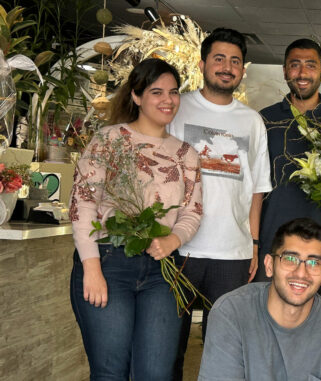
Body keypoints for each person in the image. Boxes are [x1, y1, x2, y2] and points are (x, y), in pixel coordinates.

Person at [69, 58, 202, 380]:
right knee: (110, 372)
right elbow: (82, 204)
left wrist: (174, 239)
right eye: (157, 92)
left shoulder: (186, 154)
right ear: (137, 96)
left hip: (162, 272)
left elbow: (192, 211)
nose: (167, 100)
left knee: (157, 373)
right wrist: (91, 268)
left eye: (173, 92)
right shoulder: (109, 140)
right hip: (108, 263)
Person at [167, 28, 272, 379]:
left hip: (233, 253)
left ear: (242, 69)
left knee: (224, 348)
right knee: (169, 344)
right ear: (202, 64)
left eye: (235, 61)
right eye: (219, 59)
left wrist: (254, 243)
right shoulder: (177, 109)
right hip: (180, 248)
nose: (227, 67)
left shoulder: (252, 122)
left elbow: (257, 190)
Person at [198, 218, 321, 381]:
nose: (301, 273)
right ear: (269, 265)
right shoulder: (231, 313)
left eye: (313, 262)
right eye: (290, 259)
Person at [256, 38, 321, 304]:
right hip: (273, 240)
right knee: (268, 318)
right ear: (285, 71)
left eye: (310, 65)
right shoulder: (265, 120)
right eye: (295, 65)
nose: (302, 73)